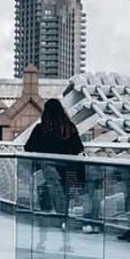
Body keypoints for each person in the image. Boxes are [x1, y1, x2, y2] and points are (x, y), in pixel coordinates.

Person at [24, 99, 84, 247]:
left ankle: (41, 242)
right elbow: (78, 148)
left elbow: (28, 148)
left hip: (45, 176)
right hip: (66, 174)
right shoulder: (70, 128)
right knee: (63, 207)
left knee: (44, 209)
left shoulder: (40, 129)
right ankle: (66, 242)